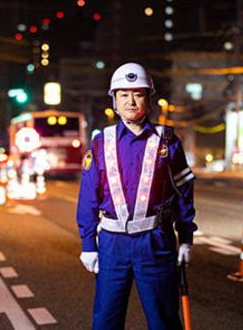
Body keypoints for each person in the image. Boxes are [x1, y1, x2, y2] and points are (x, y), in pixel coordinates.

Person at [76, 62, 197, 330]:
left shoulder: (167, 141)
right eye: (124, 94)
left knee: (163, 321)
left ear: (148, 98)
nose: (131, 101)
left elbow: (184, 194)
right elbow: (88, 197)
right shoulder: (101, 142)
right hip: (111, 244)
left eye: (138, 94)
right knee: (106, 321)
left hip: (155, 242)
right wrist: (87, 243)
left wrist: (186, 237)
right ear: (115, 101)